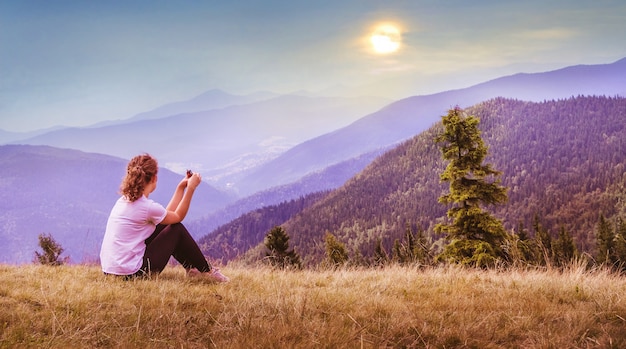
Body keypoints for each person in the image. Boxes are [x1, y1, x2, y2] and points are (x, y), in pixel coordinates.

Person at [100, 153, 228, 282]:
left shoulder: (123, 201)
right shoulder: (146, 207)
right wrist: (190, 189)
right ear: (154, 178)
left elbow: (166, 216)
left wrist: (180, 188)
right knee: (176, 229)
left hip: (110, 272)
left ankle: (193, 270)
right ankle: (208, 272)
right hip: (132, 274)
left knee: (167, 224)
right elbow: (178, 217)